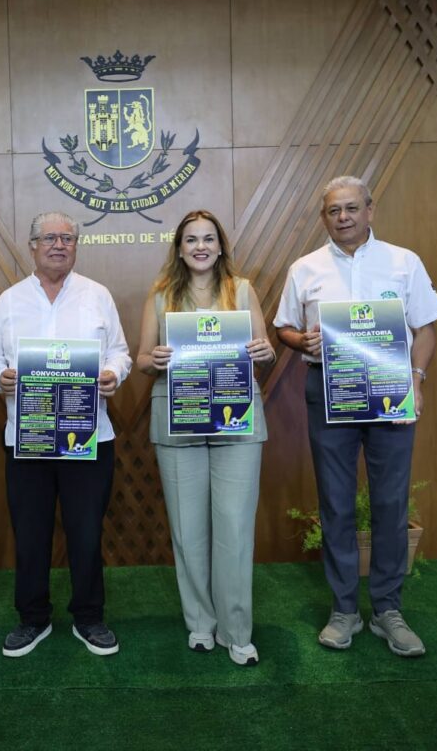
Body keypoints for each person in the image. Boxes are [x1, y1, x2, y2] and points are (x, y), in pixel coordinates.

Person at [274, 176, 437, 657]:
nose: (343, 217)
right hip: (329, 391)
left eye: (352, 208)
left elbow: (426, 329)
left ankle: (388, 610)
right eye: (334, 210)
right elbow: (284, 327)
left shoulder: (404, 261)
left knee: (391, 502)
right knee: (336, 503)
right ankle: (344, 610)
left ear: (370, 210)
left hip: (391, 393)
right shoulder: (304, 268)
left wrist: (416, 380)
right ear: (324, 217)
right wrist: (301, 340)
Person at [0, 211, 132, 658]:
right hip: (28, 439)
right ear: (32, 246)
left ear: (76, 246)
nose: (59, 245)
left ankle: (89, 617)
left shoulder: (97, 296)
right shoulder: (9, 301)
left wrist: (113, 373)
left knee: (86, 533)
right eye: (49, 238)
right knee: (30, 533)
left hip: (89, 437)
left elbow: (120, 352)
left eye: (67, 238)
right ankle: (32, 618)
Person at [136, 210, 276, 666]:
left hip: (237, 422)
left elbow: (266, 352)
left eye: (209, 239)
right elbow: (141, 359)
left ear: (220, 247)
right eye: (191, 239)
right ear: (179, 249)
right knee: (188, 530)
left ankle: (237, 631)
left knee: (234, 528)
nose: (200, 246)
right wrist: (155, 359)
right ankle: (200, 622)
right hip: (179, 421)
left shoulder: (243, 290)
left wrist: (265, 351)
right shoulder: (161, 294)